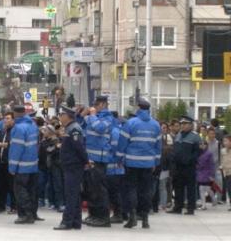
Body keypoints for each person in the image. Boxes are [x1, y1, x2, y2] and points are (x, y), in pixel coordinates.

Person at [117, 98, 161, 229]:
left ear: (138, 108)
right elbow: (158, 146)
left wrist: (119, 159)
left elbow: (122, 143)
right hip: (148, 164)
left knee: (131, 189)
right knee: (146, 191)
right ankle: (145, 218)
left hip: (131, 163)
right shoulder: (156, 125)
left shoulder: (131, 123)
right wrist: (156, 162)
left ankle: (133, 216)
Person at [54, 106, 88, 231]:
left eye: (61, 115)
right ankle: (75, 221)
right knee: (75, 194)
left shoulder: (74, 129)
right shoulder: (70, 128)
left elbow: (79, 147)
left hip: (73, 166)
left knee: (71, 194)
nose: (60, 118)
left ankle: (67, 221)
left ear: (67, 116)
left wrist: (86, 161)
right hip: (71, 165)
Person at [83, 96, 114, 227]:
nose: (94, 106)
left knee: (100, 190)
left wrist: (93, 116)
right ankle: (94, 214)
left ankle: (103, 217)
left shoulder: (108, 118)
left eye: (96, 104)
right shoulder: (92, 116)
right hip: (90, 158)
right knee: (91, 189)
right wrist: (81, 115)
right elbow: (81, 127)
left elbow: (100, 128)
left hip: (100, 159)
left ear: (102, 104)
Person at [9, 105, 41, 224]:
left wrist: (12, 167)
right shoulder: (33, 126)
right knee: (31, 190)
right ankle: (32, 213)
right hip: (33, 165)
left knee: (20, 191)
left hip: (21, 166)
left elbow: (16, 149)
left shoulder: (18, 128)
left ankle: (25, 215)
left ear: (15, 114)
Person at [168, 115, 201, 215]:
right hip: (178, 167)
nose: (183, 126)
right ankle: (178, 207)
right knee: (178, 187)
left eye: (185, 124)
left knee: (190, 188)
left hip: (189, 167)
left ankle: (191, 208)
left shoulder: (195, 137)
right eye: (182, 124)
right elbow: (175, 150)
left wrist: (189, 160)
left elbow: (197, 152)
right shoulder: (178, 135)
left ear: (191, 125)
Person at [0, 111, 15, 213]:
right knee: (0, 185)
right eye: (5, 118)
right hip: (1, 162)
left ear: (13, 120)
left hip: (9, 162)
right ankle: (1, 205)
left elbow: (11, 144)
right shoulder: (3, 131)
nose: (6, 120)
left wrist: (0, 144)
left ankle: (14, 206)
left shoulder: (14, 131)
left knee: (11, 185)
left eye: (8, 118)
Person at [196, 141, 216, 210]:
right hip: (200, 173)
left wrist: (212, 175)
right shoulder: (198, 153)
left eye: (203, 144)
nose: (202, 145)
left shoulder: (209, 154)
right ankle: (203, 205)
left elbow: (212, 164)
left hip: (207, 173)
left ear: (206, 145)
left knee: (207, 188)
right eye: (200, 144)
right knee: (201, 188)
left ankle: (213, 198)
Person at [221, 135, 231, 211]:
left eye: (226, 141)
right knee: (229, 189)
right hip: (226, 172)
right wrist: (221, 167)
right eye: (224, 141)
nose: (224, 143)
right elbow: (222, 160)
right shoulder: (223, 150)